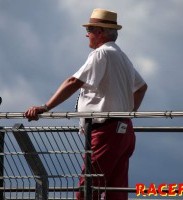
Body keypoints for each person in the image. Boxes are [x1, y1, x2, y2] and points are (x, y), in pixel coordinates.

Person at [25, 8, 147, 200]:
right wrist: (126, 113)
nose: (87, 33)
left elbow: (74, 82)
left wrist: (46, 107)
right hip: (124, 131)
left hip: (106, 131)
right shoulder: (122, 56)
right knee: (116, 191)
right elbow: (141, 88)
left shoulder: (101, 54)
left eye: (90, 29)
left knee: (88, 188)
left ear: (100, 32)